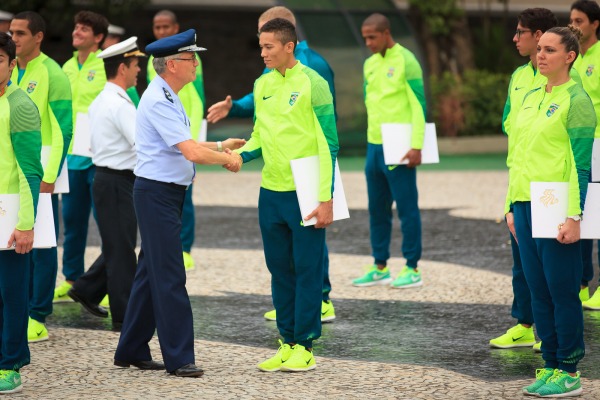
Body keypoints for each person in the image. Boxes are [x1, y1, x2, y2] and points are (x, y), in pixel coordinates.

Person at [114, 29, 243, 377]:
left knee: (149, 274)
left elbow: (184, 143)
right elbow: (189, 151)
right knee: (170, 275)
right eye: (190, 58)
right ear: (172, 64)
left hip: (165, 194)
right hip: (156, 194)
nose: (195, 64)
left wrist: (219, 146)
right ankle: (179, 357)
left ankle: (131, 348)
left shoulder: (169, 95)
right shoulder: (159, 98)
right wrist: (228, 159)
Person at [207, 5, 337, 323]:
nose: (262, 53)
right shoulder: (263, 84)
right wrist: (239, 156)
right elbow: (260, 135)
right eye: (261, 46)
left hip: (305, 188)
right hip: (271, 190)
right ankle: (287, 340)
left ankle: (304, 346)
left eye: (268, 47)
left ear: (288, 45)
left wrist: (326, 197)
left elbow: (329, 143)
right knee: (279, 269)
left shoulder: (314, 80)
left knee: (307, 269)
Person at [510, 26, 595, 397]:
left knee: (561, 290)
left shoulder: (577, 100)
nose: (540, 55)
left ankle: (570, 369)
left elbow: (580, 165)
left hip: (556, 202)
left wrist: (574, 217)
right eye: (539, 49)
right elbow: (517, 155)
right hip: (525, 203)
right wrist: (510, 207)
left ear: (570, 56)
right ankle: (549, 363)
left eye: (549, 50)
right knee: (537, 289)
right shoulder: (529, 95)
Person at [491, 8, 563, 351]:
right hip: (518, 177)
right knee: (522, 258)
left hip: (550, 184)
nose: (515, 38)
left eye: (521, 32)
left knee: (553, 262)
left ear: (538, 35)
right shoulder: (519, 76)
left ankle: (552, 336)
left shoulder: (565, 80)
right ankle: (524, 324)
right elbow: (509, 120)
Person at [66, 37, 145, 330]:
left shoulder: (103, 99)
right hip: (117, 180)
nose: (139, 71)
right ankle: (124, 317)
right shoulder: (119, 104)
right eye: (136, 65)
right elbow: (142, 143)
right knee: (122, 249)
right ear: (123, 67)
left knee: (118, 243)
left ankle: (86, 289)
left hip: (108, 178)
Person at [8, 11, 72, 343]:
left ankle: (38, 314)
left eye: (21, 33)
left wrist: (52, 173)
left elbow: (64, 127)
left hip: (44, 166)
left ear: (38, 37)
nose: (14, 38)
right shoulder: (10, 68)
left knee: (43, 240)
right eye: (12, 33)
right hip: (15, 167)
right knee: (14, 239)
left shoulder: (53, 73)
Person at [351, 13, 425, 288]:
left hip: (401, 146)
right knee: (377, 209)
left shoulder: (406, 60)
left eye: (372, 37)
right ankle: (380, 265)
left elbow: (418, 105)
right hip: (374, 146)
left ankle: (412, 268)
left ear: (386, 33)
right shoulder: (369, 64)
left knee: (407, 209)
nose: (368, 42)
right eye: (365, 37)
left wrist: (417, 144)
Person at [54, 11, 108, 303]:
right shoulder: (66, 66)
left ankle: (109, 282)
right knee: (72, 221)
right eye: (75, 27)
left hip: (100, 157)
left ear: (98, 37)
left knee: (107, 223)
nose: (76, 32)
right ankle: (71, 278)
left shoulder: (105, 65)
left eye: (84, 29)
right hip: (71, 155)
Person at [0, 31, 43, 394]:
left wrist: (26, 224)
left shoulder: (21, 105)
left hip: (10, 215)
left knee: (11, 293)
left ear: (12, 65)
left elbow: (31, 171)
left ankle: (10, 363)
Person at [148, 9, 206, 271]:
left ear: (175, 27)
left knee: (185, 191)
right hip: (168, 132)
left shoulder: (189, 61)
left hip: (184, 132)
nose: (161, 31)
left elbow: (196, 99)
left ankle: (185, 247)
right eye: (157, 27)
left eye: (165, 27)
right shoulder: (157, 61)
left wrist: (192, 137)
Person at [571, 0, 600, 310]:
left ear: (595, 24)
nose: (574, 26)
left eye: (580, 20)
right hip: (577, 144)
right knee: (577, 209)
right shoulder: (571, 58)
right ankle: (581, 283)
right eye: (571, 20)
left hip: (599, 143)